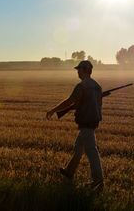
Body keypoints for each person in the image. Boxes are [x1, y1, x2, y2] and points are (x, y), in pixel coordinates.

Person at [46, 60, 104, 190]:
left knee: (91, 151)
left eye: (79, 69)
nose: (77, 72)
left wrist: (53, 110)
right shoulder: (97, 86)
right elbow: (98, 105)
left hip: (86, 122)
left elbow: (69, 102)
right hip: (93, 121)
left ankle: (98, 182)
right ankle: (69, 171)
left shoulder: (81, 86)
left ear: (84, 70)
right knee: (79, 147)